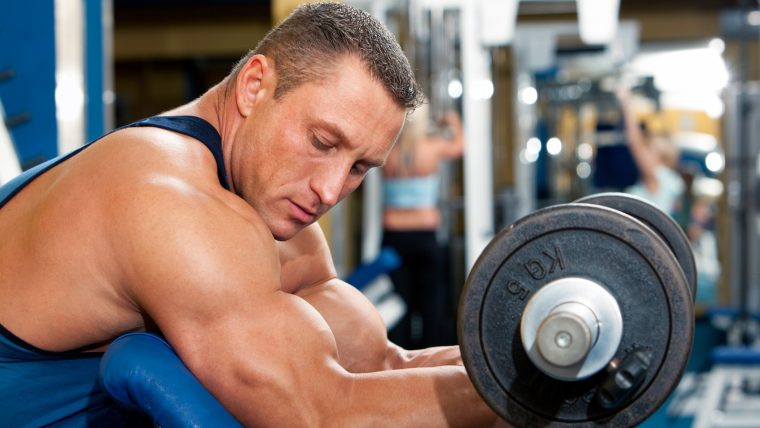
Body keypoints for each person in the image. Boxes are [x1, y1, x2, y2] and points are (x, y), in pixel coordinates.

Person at [0, 3, 500, 426]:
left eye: (359, 167)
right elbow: (320, 412)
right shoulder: (166, 198)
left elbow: (383, 364)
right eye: (322, 142)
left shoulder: (271, 210)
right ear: (254, 85)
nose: (330, 189)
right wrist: (515, 394)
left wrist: (523, 361)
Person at [381, 103, 464, 349]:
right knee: (431, 305)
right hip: (425, 236)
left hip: (394, 235)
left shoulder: (388, 152)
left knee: (398, 303)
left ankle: (398, 357)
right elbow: (460, 145)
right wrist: (452, 119)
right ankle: (430, 358)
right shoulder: (431, 148)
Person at [617, 88, 685, 217]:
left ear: (661, 157)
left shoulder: (664, 177)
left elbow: (635, 142)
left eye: (649, 150)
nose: (644, 153)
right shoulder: (669, 181)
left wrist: (627, 103)